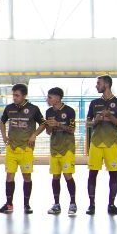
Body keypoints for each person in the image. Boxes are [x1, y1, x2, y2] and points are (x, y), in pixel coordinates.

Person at [0, 84, 44, 215]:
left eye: (17, 95)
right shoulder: (9, 108)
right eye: (13, 95)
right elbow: (2, 121)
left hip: (26, 148)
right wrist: (4, 135)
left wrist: (34, 135)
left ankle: (26, 204)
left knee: (26, 176)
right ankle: (9, 204)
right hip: (11, 148)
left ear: (24, 96)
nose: (14, 97)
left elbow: (43, 123)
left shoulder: (33, 109)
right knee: (9, 176)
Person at [32, 87, 78, 216]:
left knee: (68, 175)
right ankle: (56, 204)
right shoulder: (48, 111)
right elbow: (48, 131)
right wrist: (50, 127)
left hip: (67, 148)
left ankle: (73, 203)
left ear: (58, 98)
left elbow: (72, 129)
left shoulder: (69, 111)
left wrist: (59, 124)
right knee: (55, 176)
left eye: (50, 97)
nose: (48, 99)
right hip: (54, 148)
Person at [86, 75, 117, 215]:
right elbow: (88, 123)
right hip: (96, 142)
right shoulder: (94, 103)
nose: (96, 86)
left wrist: (110, 116)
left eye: (98, 83)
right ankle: (91, 205)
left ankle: (111, 205)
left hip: (111, 143)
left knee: (113, 174)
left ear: (107, 84)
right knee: (92, 174)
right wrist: (96, 120)